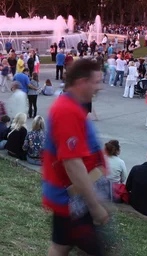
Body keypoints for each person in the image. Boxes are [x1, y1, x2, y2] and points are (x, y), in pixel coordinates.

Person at [43, 58, 109, 256]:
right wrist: (94, 205)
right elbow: (72, 163)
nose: (100, 88)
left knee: (62, 244)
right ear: (82, 82)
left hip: (75, 196)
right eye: (96, 82)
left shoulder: (72, 106)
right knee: (86, 249)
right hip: (74, 198)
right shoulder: (67, 111)